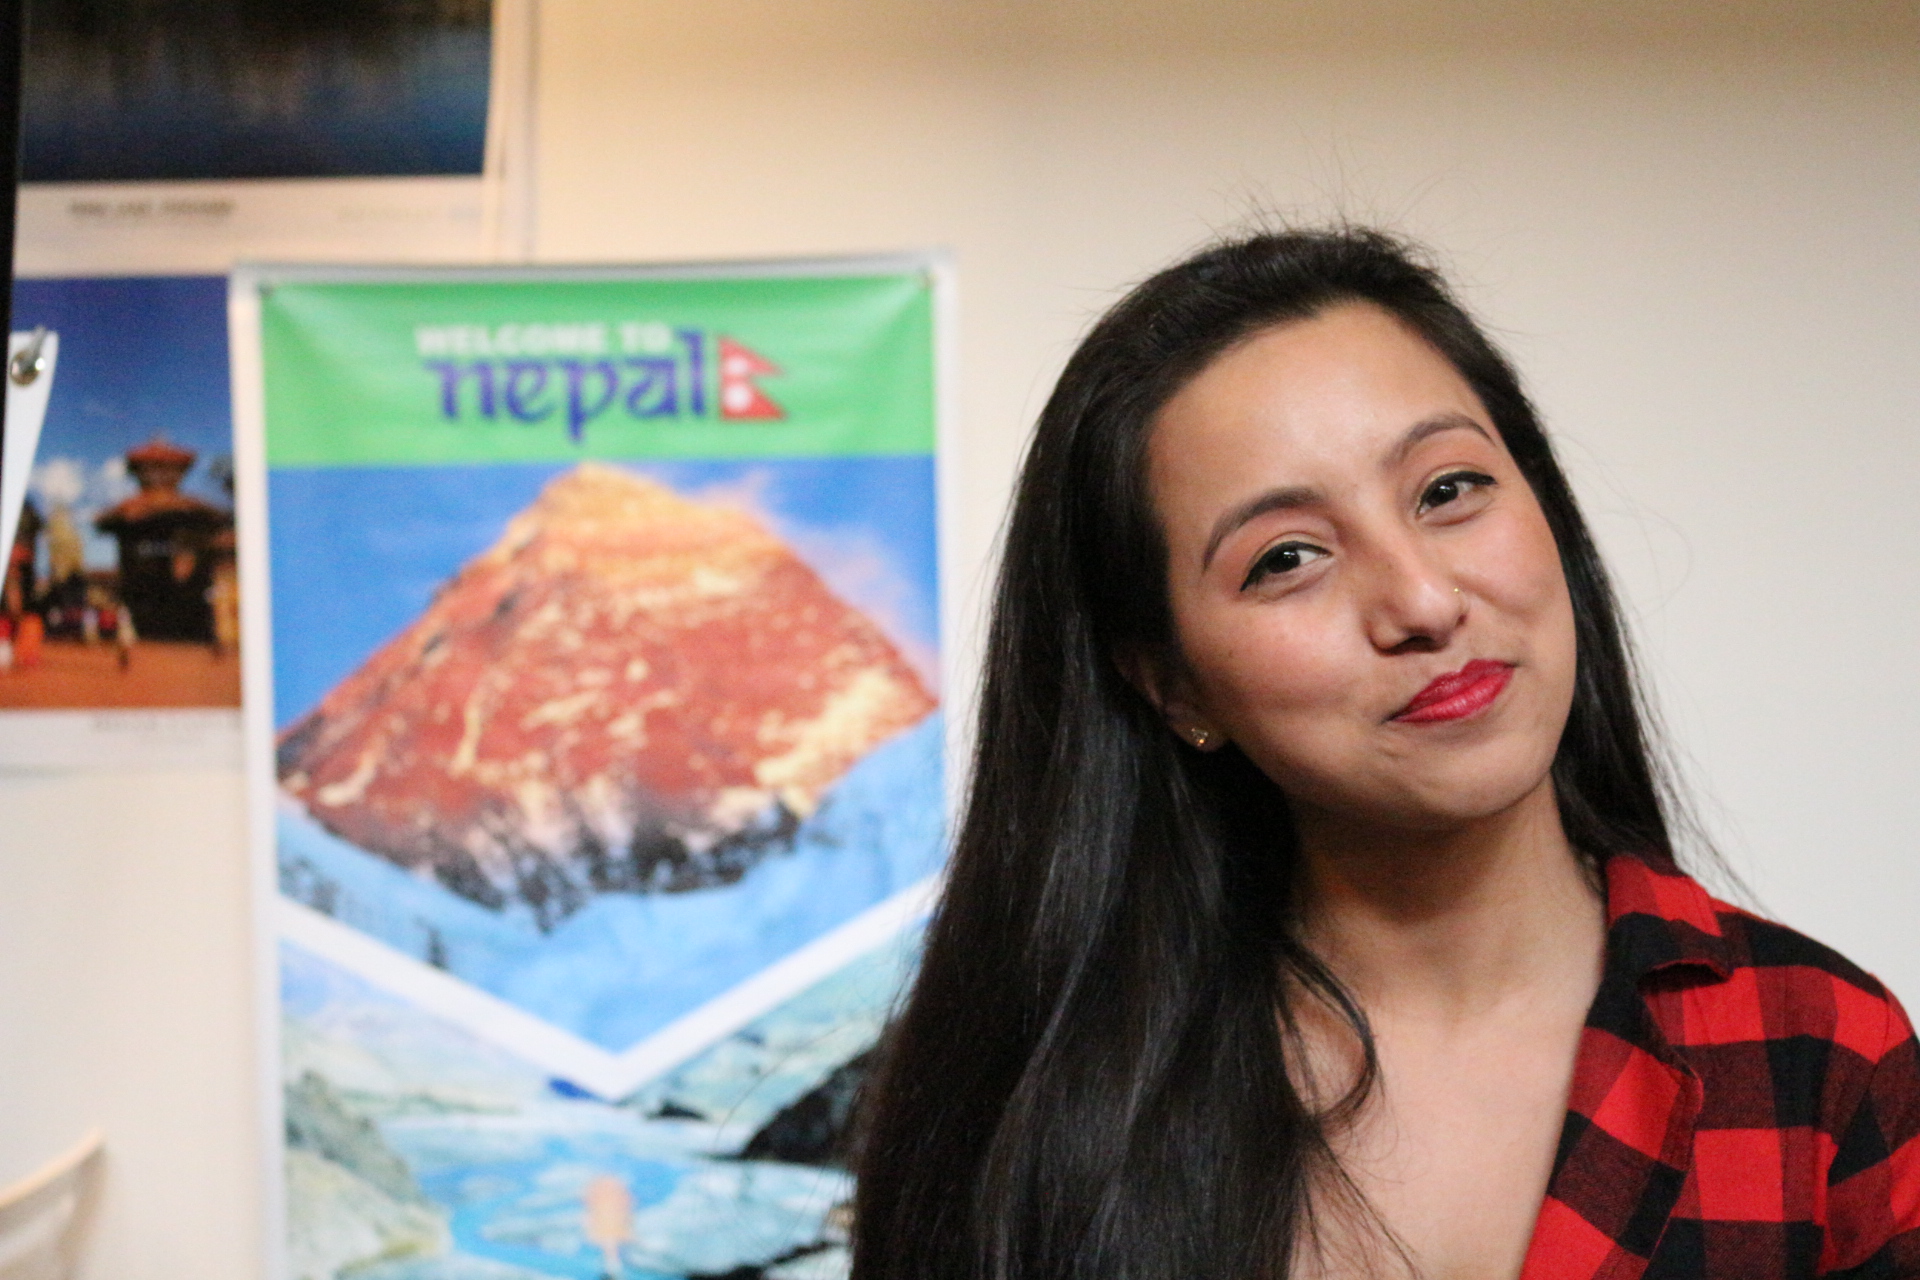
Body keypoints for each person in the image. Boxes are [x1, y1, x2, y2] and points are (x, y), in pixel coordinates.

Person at [851, 228, 1920, 1280]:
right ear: (1171, 682)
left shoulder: (1817, 1052)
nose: (1421, 600)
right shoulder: (1027, 1109)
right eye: (1287, 557)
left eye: (1449, 490)